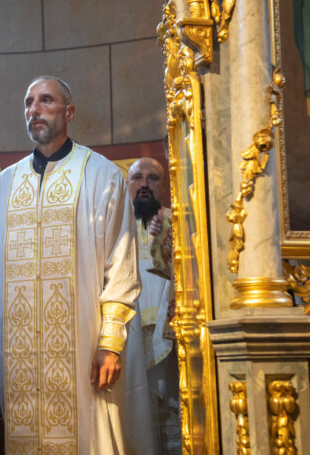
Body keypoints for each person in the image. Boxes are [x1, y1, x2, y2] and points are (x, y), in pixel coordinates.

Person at [0, 76, 141, 454]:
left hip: (84, 349)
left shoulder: (101, 175)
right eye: (28, 102)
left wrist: (111, 342)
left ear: (68, 112)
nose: (34, 110)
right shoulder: (4, 185)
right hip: (16, 356)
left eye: (46, 100)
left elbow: (121, 265)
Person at [126, 158, 179, 453]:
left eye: (153, 178)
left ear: (166, 185)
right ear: (127, 185)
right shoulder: (114, 231)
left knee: (172, 407)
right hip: (128, 338)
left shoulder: (178, 223)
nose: (144, 184)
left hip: (170, 336)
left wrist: (169, 239)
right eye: (137, 178)